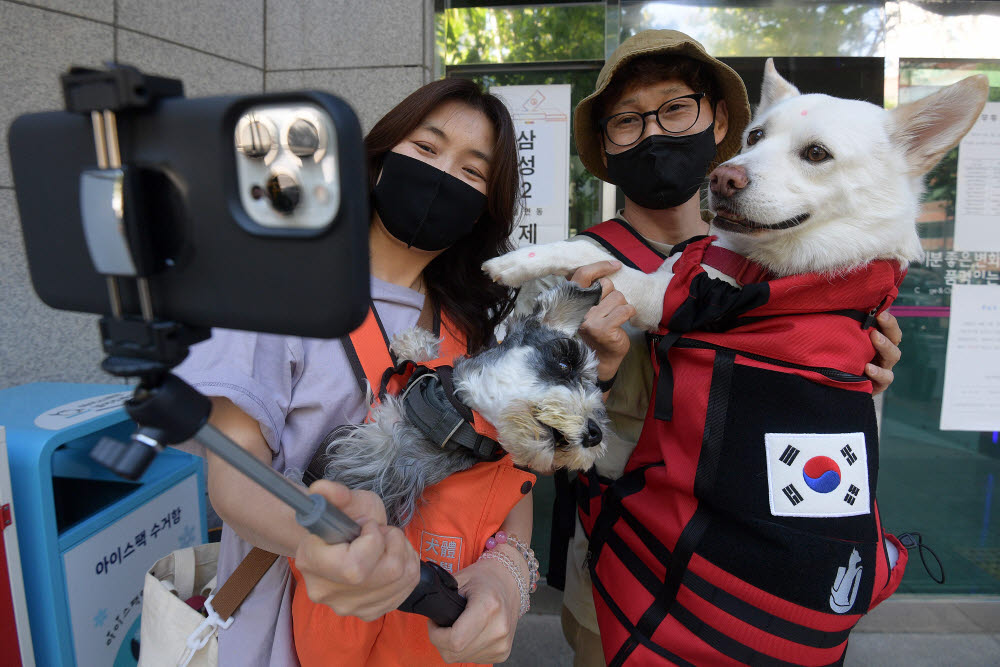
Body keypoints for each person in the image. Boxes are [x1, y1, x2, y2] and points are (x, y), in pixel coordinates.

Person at [518, 30, 903, 666]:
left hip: (766, 584)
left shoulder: (796, 260)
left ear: (719, 119)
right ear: (607, 150)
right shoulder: (573, 270)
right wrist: (599, 380)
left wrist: (863, 370)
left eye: (675, 108)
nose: (652, 134)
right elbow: (534, 446)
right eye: (626, 121)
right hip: (627, 578)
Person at [174, 77, 534, 666]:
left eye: (472, 171)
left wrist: (506, 575)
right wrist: (328, 542)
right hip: (281, 636)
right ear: (376, 160)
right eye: (426, 148)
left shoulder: (473, 332)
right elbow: (235, 479)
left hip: (423, 643)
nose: (443, 175)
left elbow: (503, 482)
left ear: (483, 212)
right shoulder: (273, 287)